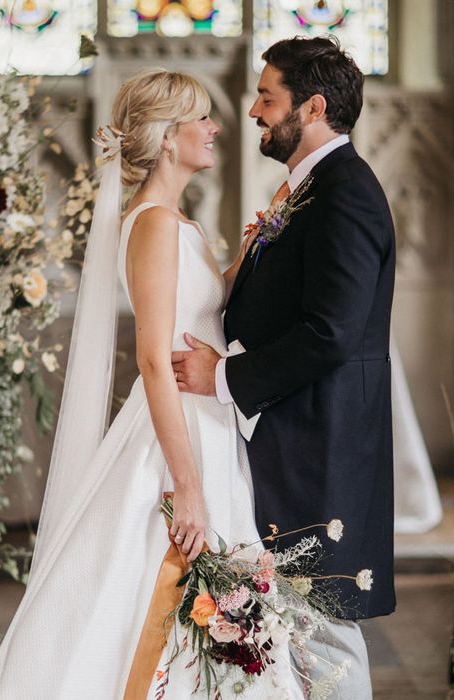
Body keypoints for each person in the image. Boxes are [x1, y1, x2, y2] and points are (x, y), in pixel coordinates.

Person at [0, 69, 304, 698]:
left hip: (206, 424)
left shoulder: (174, 222)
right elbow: (154, 358)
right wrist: (186, 486)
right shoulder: (153, 223)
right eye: (201, 119)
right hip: (175, 438)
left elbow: (198, 311)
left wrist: (253, 251)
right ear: (165, 136)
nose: (215, 130)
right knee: (148, 605)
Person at [172, 36, 397, 698]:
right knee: (296, 628)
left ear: (314, 106)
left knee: (325, 631)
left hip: (323, 452)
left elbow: (330, 333)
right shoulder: (309, 188)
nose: (253, 112)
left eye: (267, 98)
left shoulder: (344, 194)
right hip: (296, 442)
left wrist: (220, 377)